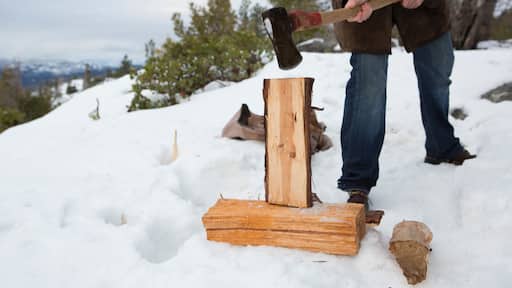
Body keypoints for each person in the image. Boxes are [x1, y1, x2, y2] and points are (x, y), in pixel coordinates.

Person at [331, 0, 476, 209]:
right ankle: (358, 179)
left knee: (438, 66)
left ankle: (441, 145)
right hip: (366, 6)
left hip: (424, 10)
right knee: (369, 84)